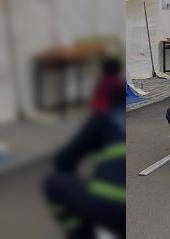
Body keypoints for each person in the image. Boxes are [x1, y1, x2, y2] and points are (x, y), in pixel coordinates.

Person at [44, 85, 126, 238]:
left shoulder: (105, 118)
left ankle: (82, 233)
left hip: (108, 201)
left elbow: (64, 160)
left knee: (52, 182)